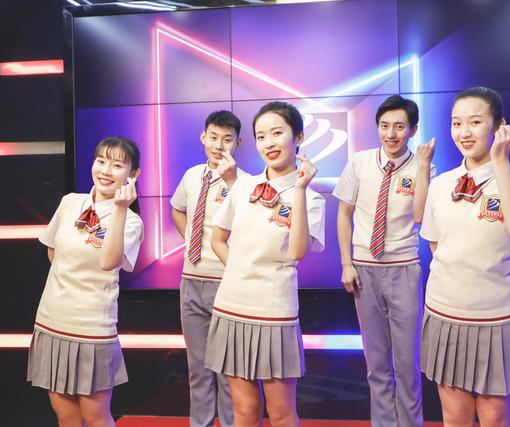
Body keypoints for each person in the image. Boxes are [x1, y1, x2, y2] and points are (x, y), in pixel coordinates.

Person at [420, 87, 510, 426]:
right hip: (445, 312)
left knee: (495, 418)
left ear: (499, 126)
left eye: (475, 122)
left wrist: (501, 161)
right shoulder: (441, 184)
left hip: (495, 316)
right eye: (456, 123)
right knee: (454, 417)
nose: (464, 132)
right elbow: (435, 246)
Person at [204, 101, 325, 427]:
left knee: (282, 413)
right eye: (261, 136)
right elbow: (218, 239)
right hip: (232, 306)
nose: (268, 143)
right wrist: (238, 270)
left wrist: (300, 190)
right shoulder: (242, 185)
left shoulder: (311, 199)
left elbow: (297, 251)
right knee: (244, 411)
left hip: (275, 311)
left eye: (277, 133)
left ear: (298, 137)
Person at [333, 94, 435, 427]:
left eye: (399, 127)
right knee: (376, 363)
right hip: (365, 270)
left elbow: (420, 216)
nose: (391, 134)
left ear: (413, 130)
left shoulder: (424, 167)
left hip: (404, 268)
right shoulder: (360, 162)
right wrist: (346, 263)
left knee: (407, 363)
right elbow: (344, 213)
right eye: (384, 126)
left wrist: (422, 167)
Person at [27, 137, 143, 427]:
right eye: (101, 161)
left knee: (96, 417)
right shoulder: (70, 202)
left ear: (133, 174)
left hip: (92, 328)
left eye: (117, 165)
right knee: (66, 416)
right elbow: (53, 251)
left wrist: (120, 208)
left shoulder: (131, 221)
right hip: (52, 320)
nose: (105, 170)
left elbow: (108, 261)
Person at [171, 110, 247, 427]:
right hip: (190, 280)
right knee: (198, 367)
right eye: (213, 137)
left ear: (238, 143)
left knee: (229, 369)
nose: (219, 145)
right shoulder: (192, 176)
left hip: (225, 282)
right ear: (203, 137)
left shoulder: (243, 183)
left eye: (227, 139)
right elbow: (177, 209)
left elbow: (247, 226)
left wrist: (232, 182)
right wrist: (191, 239)